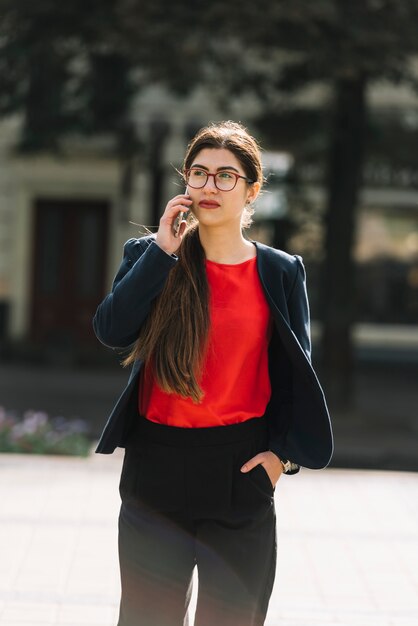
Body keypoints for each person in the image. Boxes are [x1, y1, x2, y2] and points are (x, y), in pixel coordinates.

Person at [93, 120, 333, 626]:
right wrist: (162, 250)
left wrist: (281, 459)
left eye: (226, 176)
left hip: (240, 471)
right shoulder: (151, 256)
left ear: (251, 190)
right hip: (155, 469)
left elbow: (296, 373)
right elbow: (112, 330)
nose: (209, 186)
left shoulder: (280, 270)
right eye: (198, 173)